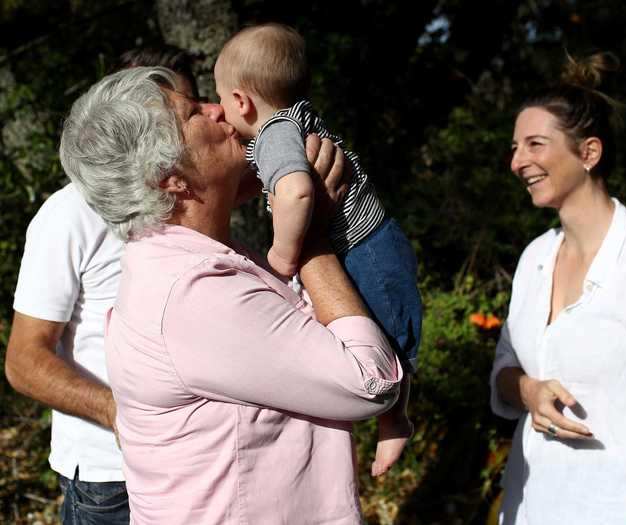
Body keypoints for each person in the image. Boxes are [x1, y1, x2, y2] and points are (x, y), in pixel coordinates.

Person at [58, 65, 403, 524]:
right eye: (192, 114)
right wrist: (315, 234)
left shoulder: (194, 262)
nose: (218, 109)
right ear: (168, 178)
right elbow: (371, 383)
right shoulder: (191, 296)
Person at [491, 52, 626, 524]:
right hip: (531, 506)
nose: (517, 162)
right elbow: (505, 370)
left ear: (588, 153)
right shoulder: (534, 259)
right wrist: (527, 390)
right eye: (515, 147)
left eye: (534, 145)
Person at [214, 22, 420, 475]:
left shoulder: (273, 134)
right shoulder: (291, 120)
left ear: (242, 101)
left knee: (386, 334)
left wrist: (283, 254)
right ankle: (393, 415)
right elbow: (270, 183)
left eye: (221, 100)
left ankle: (395, 418)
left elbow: (298, 193)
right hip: (372, 240)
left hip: (366, 246)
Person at [5, 46, 200, 525]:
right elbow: (25, 360)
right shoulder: (68, 213)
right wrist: (117, 413)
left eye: (188, 109)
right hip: (113, 479)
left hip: (202, 464)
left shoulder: (201, 197)